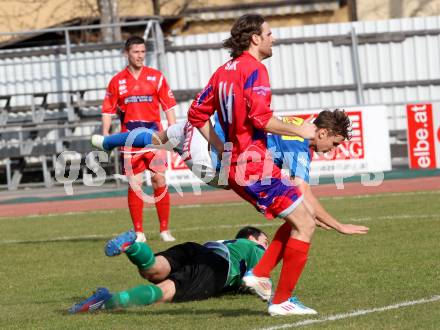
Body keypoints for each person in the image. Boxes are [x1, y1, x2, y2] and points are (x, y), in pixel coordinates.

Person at [186, 14, 367, 316]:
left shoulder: (222, 72)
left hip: (239, 165)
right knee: (306, 222)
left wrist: (221, 146)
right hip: (252, 165)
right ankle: (278, 296)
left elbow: (196, 114)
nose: (274, 38)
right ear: (255, 38)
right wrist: (301, 130)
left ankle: (263, 278)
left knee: (300, 220)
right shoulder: (255, 70)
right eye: (270, 33)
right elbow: (261, 118)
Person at [68, 226, 269, 313]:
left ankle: (133, 246)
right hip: (215, 266)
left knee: (153, 269)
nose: (267, 246)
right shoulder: (255, 247)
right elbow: (259, 278)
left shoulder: (231, 243)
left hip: (197, 248)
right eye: (265, 241)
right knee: (164, 293)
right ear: (252, 237)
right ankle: (106, 302)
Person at [101, 35, 177, 242]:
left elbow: (168, 105)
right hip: (129, 139)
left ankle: (164, 230)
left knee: (158, 178)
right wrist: (106, 134)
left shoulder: (156, 77)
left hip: (154, 137)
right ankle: (139, 232)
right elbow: (107, 109)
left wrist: (173, 130)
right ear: (127, 53)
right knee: (135, 183)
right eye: (136, 52)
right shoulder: (117, 81)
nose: (140, 56)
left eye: (143, 52)